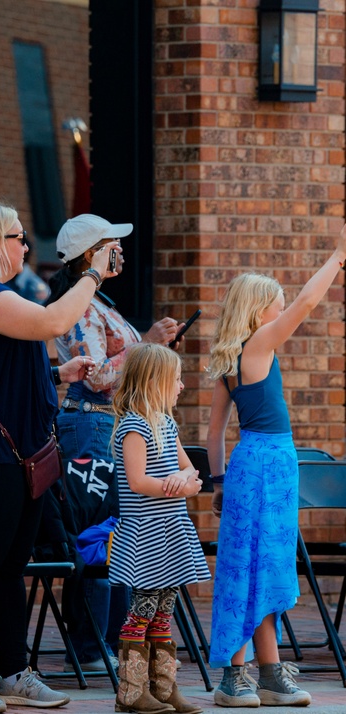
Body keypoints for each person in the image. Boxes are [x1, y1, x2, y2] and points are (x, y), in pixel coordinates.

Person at [0, 198, 105, 712]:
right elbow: (56, 321)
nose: (26, 246)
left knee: (11, 567)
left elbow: (1, 371)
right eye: (18, 236)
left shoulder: (3, 297)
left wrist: (59, 376)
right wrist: (93, 275)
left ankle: (13, 671)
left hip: (20, 455)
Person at [205, 227, 346, 708]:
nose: (282, 311)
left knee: (250, 567)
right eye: (276, 304)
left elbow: (214, 433)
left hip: (248, 465)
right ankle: (238, 676)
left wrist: (220, 483)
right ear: (259, 309)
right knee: (259, 566)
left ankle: (260, 673)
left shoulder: (231, 358)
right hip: (269, 462)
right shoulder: (260, 343)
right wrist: (338, 258)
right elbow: (308, 303)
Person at [48, 214, 180, 674]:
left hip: (111, 425)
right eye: (110, 245)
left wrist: (148, 346)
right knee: (97, 536)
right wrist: (145, 342)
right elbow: (98, 374)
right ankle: (89, 647)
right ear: (90, 254)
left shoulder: (100, 301)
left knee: (120, 534)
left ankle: (115, 640)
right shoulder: (79, 305)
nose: (119, 251)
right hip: (90, 425)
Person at [109, 343, 209, 714]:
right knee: (143, 608)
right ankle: (131, 692)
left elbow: (189, 468)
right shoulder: (134, 426)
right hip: (147, 533)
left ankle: (164, 688)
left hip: (171, 530)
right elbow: (136, 481)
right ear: (154, 381)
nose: (181, 386)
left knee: (165, 607)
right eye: (176, 379)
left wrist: (186, 480)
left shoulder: (166, 423)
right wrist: (175, 484)